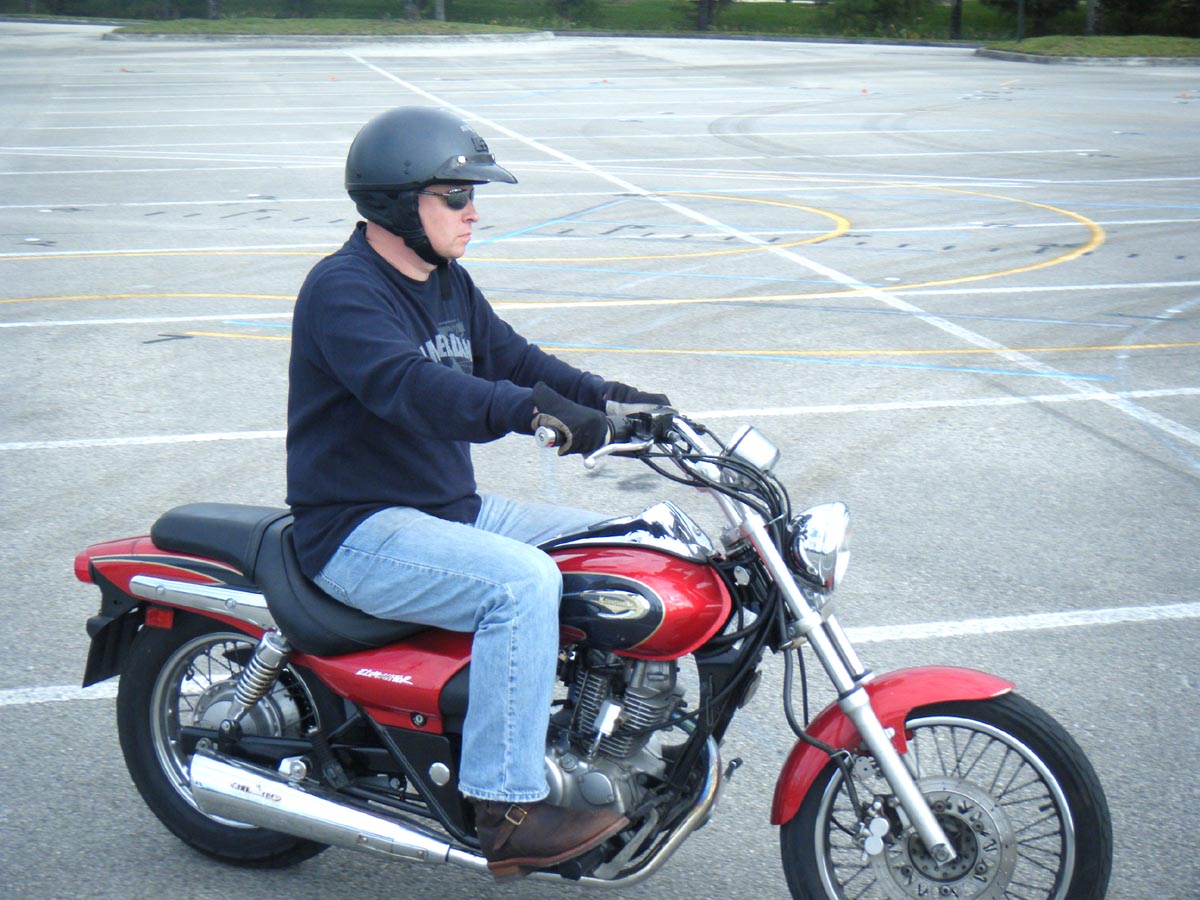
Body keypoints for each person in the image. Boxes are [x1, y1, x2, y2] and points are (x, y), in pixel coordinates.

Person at [285, 106, 670, 882]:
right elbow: (409, 388)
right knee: (521, 585)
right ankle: (506, 808)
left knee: (631, 545)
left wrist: (614, 398)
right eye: (456, 196)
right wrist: (529, 413)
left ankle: (595, 739)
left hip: (447, 510)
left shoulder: (447, 282)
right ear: (400, 202)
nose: (473, 212)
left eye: (472, 197)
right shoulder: (342, 290)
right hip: (358, 528)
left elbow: (517, 360)